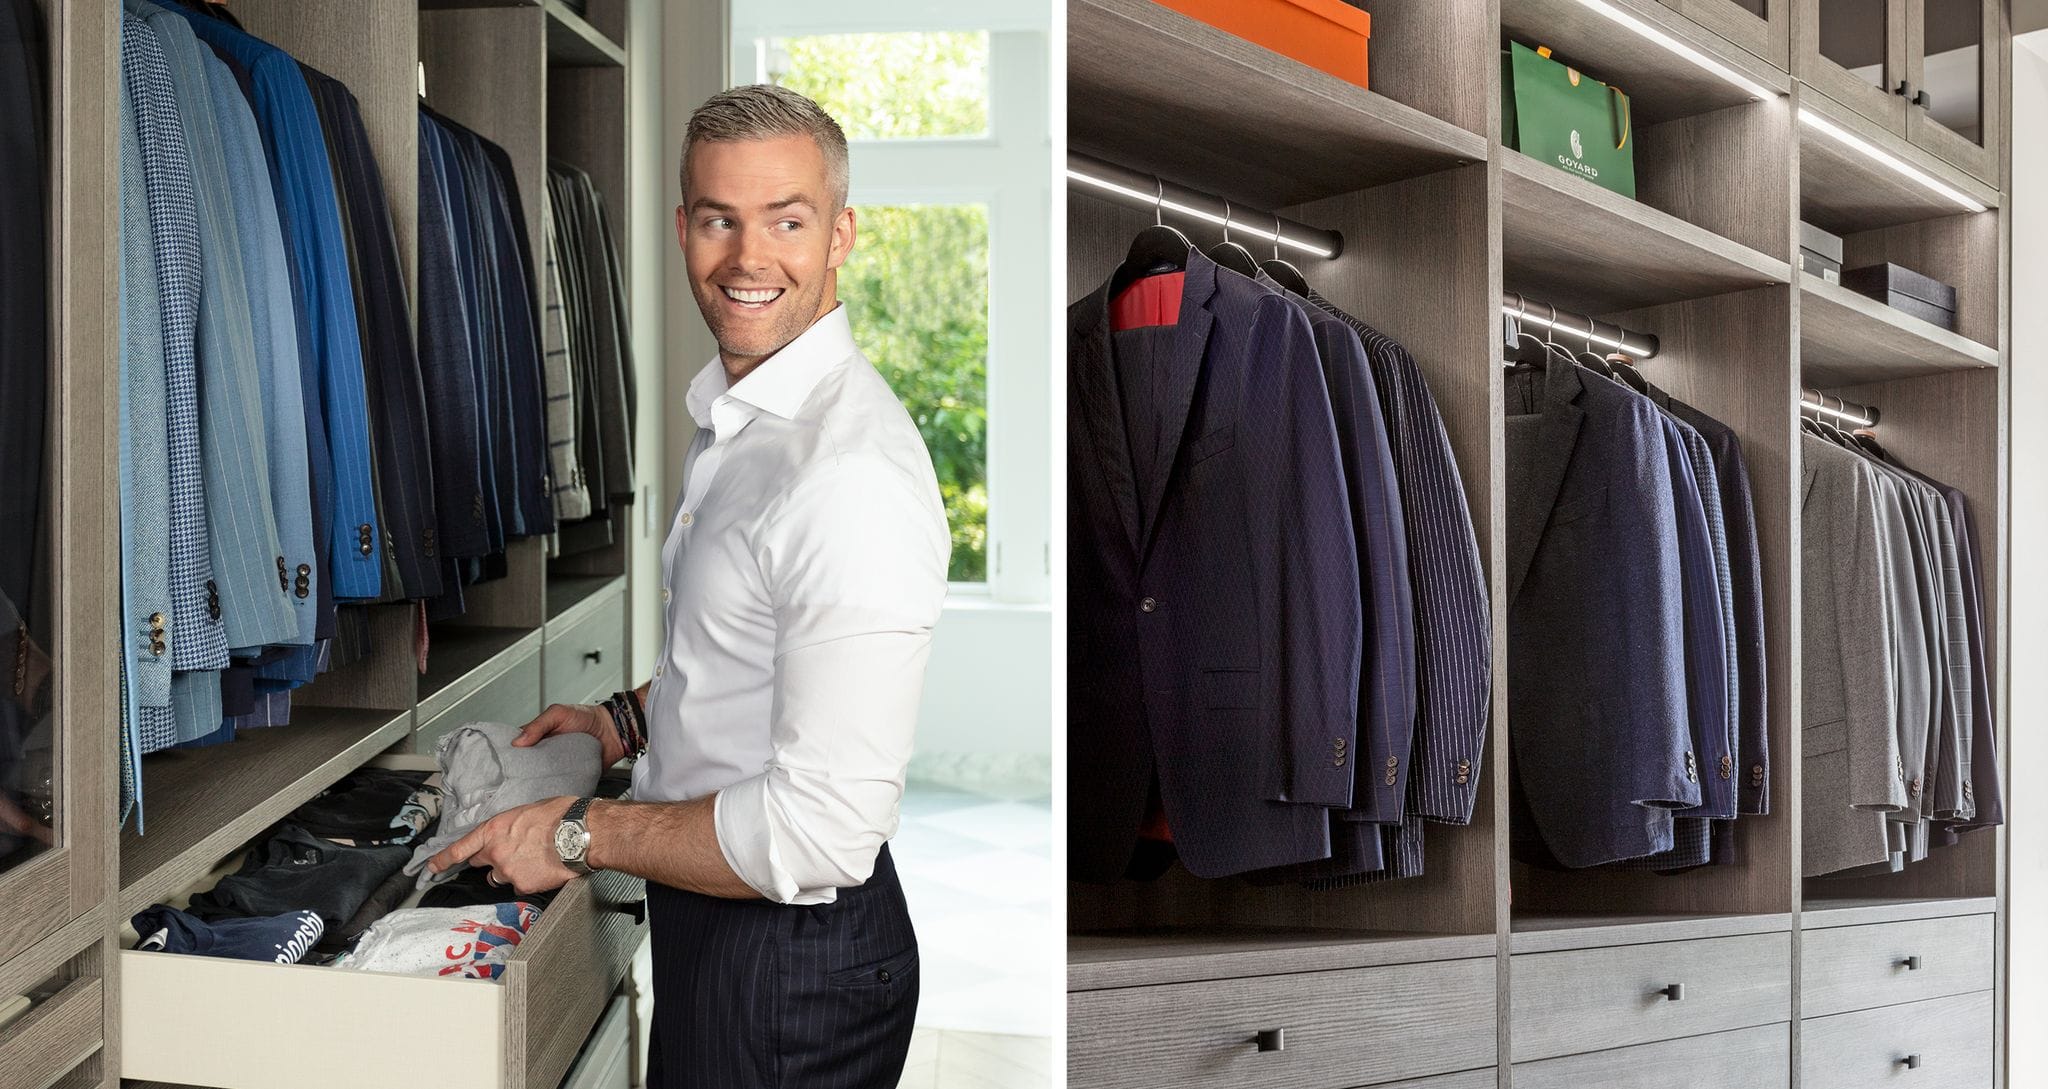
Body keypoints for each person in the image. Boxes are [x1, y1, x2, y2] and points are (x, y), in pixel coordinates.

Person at [425, 84, 950, 1088]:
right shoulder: (747, 424)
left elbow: (819, 830)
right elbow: (748, 656)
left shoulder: (844, 475)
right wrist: (622, 720)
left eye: (786, 221)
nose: (748, 259)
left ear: (840, 234)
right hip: (723, 921)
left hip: (790, 959)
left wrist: (579, 834)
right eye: (720, 220)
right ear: (682, 229)